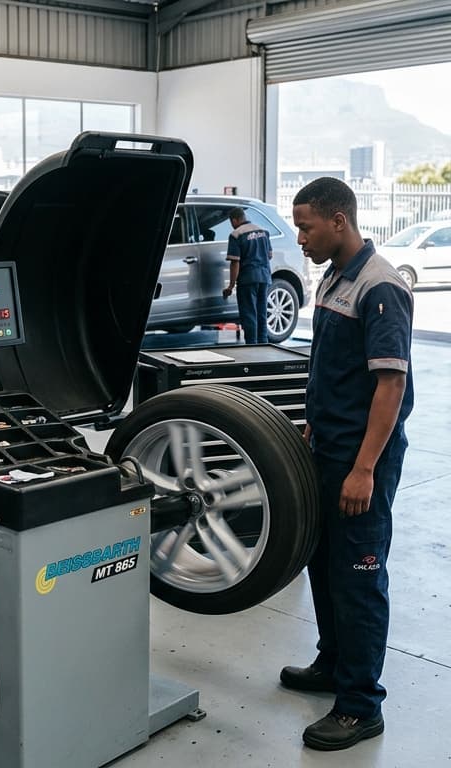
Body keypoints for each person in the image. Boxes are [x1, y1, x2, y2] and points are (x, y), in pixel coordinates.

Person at [282, 177, 414, 751]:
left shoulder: (381, 286)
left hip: (363, 459)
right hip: (327, 447)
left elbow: (390, 384)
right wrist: (316, 418)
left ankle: (360, 705)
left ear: (339, 220)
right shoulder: (334, 278)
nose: (300, 238)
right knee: (324, 563)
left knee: (359, 577)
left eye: (306, 226)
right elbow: (336, 367)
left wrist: (363, 469)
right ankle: (333, 663)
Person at [222, 206, 274, 343]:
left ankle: (251, 347)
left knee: (249, 315)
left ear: (234, 220)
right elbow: (269, 255)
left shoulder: (236, 235)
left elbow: (235, 262)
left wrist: (231, 285)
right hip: (264, 278)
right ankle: (263, 344)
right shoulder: (263, 231)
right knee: (262, 314)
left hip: (247, 279)